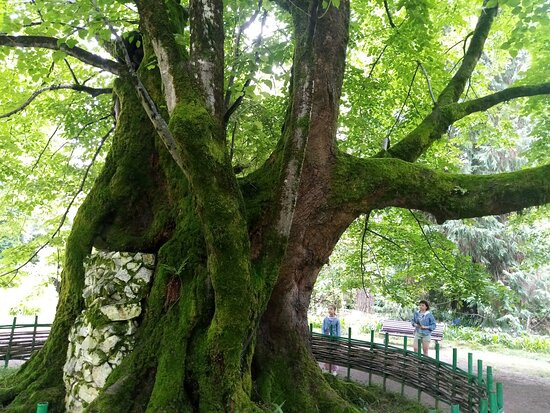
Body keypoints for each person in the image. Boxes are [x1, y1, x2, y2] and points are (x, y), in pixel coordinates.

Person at [322, 305, 341, 375]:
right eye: (329, 309)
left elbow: (338, 330)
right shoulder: (325, 319)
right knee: (327, 352)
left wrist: (338, 339)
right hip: (327, 339)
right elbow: (323, 328)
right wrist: (323, 336)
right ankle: (326, 367)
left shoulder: (337, 320)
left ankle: (334, 369)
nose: (330, 310)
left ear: (334, 310)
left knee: (333, 352)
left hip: (334, 339)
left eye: (331, 309)